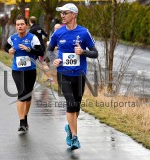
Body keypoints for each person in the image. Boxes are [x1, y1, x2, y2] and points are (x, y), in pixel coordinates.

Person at [47, 3, 98, 150]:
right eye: (61, 13)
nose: (62, 15)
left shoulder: (84, 32)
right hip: (64, 74)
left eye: (65, 13)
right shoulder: (58, 33)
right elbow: (49, 50)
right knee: (70, 103)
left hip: (80, 74)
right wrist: (53, 59)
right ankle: (75, 137)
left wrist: (83, 52)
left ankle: (70, 127)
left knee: (76, 105)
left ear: (74, 15)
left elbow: (95, 53)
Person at [4, 14, 44, 132]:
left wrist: (29, 50)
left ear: (26, 25)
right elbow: (5, 47)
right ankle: (21, 122)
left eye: (22, 24)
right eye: (17, 25)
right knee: (21, 94)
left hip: (30, 71)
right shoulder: (13, 38)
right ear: (15, 26)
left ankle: (25, 117)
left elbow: (41, 51)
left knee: (28, 95)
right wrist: (9, 50)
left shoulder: (33, 38)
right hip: (17, 70)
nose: (20, 26)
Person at [28, 16, 53, 82]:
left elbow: (28, 39)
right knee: (41, 62)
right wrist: (41, 39)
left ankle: (50, 78)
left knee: (40, 62)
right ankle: (48, 77)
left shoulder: (32, 29)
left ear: (30, 21)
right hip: (41, 46)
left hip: (36, 48)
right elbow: (46, 35)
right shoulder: (39, 28)